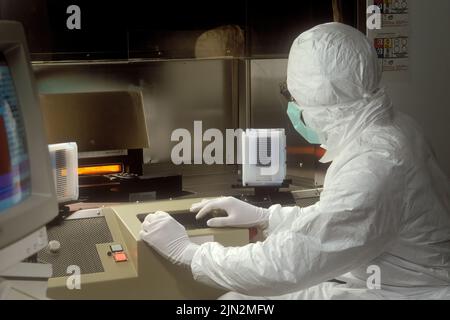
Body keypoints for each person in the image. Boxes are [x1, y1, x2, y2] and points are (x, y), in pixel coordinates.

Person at [140, 23, 450, 300]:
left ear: (322, 102)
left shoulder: (375, 164)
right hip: (379, 279)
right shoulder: (389, 129)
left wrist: (191, 254)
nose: (294, 108)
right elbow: (337, 222)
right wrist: (268, 217)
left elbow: (289, 264)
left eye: (297, 98)